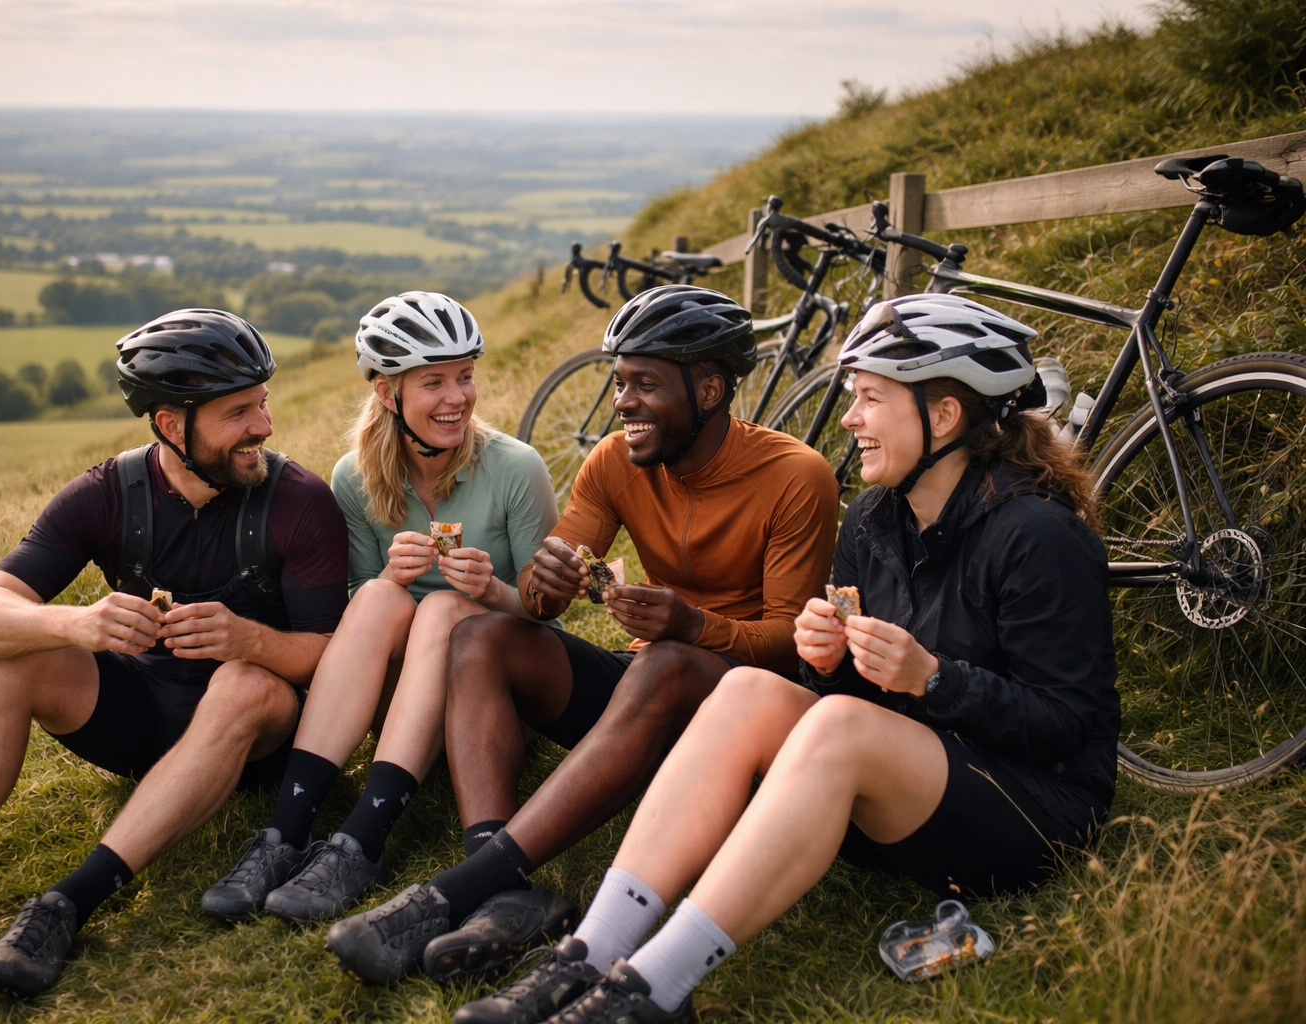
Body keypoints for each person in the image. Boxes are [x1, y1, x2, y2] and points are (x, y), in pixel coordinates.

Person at [455, 292, 1121, 1024]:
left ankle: (647, 990)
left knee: (837, 725)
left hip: (1032, 812)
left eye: (869, 399)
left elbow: (1066, 726)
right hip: (905, 791)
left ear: (943, 416)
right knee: (746, 694)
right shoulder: (874, 518)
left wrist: (933, 679)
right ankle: (586, 952)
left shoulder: (1038, 535)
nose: (850, 419)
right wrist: (825, 659)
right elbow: (845, 695)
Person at [0, 309, 350, 998]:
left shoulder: (299, 502)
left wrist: (251, 641)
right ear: (171, 424)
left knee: (248, 684)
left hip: (259, 739)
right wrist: (78, 625)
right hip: (141, 719)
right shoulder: (107, 493)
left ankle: (67, 904)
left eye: (262, 403)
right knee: (15, 656)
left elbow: (332, 659)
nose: (263, 426)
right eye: (237, 412)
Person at [326, 284, 841, 986]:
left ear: (712, 388)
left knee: (665, 662)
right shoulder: (614, 461)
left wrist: (697, 626)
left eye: (645, 385)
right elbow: (538, 601)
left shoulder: (796, 476)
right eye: (620, 381)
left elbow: (794, 645)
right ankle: (507, 896)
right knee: (480, 637)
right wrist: (548, 577)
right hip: (644, 695)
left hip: (739, 715)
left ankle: (464, 887)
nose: (623, 403)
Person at [199, 291, 563, 926]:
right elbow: (354, 623)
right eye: (434, 382)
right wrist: (385, 577)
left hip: (501, 696)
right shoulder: (355, 477)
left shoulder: (516, 467)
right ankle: (284, 835)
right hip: (400, 699)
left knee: (446, 608)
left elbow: (548, 616)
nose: (459, 396)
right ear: (388, 394)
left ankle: (363, 839)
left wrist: (492, 592)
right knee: (374, 595)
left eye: (465, 376)